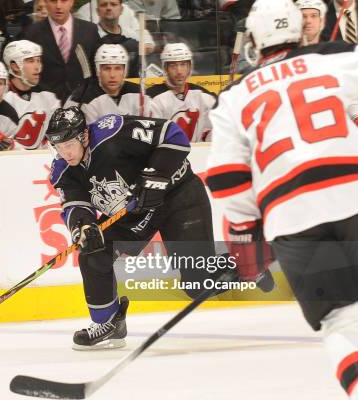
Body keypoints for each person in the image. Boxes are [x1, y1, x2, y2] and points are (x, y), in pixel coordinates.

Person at [206, 0, 358, 400]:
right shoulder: (338, 58)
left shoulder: (235, 96)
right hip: (356, 197)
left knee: (342, 322)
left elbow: (226, 178)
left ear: (255, 40)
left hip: (294, 221)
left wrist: (245, 233)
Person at [47, 106, 227, 350]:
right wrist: (83, 226)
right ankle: (109, 323)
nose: (64, 153)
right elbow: (75, 204)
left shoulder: (114, 133)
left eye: (68, 144)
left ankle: (247, 265)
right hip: (133, 213)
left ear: (84, 136)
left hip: (178, 197)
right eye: (58, 146)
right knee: (93, 251)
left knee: (198, 283)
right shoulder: (64, 169)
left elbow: (174, 135)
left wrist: (155, 177)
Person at [24, 0, 100, 102]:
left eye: (64, 0)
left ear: (72, 2)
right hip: (44, 103)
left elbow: (96, 69)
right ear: (46, 2)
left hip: (82, 101)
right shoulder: (32, 33)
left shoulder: (90, 30)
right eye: (53, 1)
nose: (58, 6)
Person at [64, 44, 158, 123]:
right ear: (98, 71)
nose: (112, 75)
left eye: (118, 68)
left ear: (124, 71)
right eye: (107, 68)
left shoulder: (139, 94)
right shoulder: (81, 98)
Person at [147, 42, 216, 142]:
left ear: (189, 67)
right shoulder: (152, 97)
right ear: (165, 68)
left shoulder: (203, 96)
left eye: (183, 65)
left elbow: (213, 131)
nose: (179, 71)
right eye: (173, 65)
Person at [2, 40, 60, 150]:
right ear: (15, 66)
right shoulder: (1, 97)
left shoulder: (48, 96)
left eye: (38, 60)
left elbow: (57, 133)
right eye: (30, 61)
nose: (38, 67)